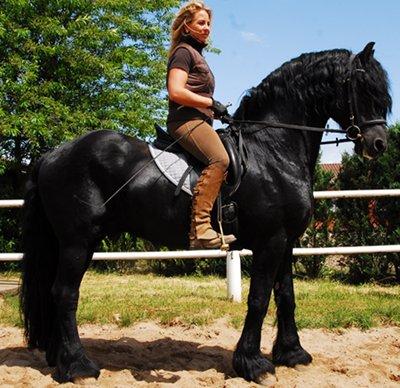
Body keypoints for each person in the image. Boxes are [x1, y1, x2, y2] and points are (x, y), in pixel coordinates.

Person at [167, 1, 236, 249]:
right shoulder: (184, 52)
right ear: (186, 26)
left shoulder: (197, 55)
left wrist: (217, 111)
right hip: (185, 121)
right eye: (201, 23)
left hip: (200, 120)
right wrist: (210, 102)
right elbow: (175, 91)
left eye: (208, 23)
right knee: (220, 159)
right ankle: (201, 228)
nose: (207, 28)